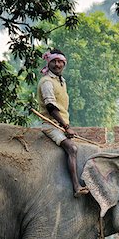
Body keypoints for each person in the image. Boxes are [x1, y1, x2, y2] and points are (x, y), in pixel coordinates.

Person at [37, 49, 89, 197]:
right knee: (72, 149)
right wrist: (66, 127)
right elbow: (51, 108)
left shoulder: (61, 81)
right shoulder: (46, 82)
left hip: (60, 125)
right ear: (49, 62)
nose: (57, 64)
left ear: (64, 64)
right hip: (51, 125)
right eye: (54, 61)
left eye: (60, 62)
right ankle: (76, 187)